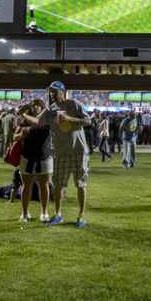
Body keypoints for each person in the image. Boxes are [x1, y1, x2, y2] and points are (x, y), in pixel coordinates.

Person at [20, 82, 91, 227]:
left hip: (78, 150)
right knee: (58, 185)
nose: (52, 94)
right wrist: (24, 115)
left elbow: (88, 121)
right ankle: (58, 214)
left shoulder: (74, 104)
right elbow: (38, 122)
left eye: (55, 91)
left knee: (80, 183)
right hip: (60, 151)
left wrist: (70, 119)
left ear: (63, 92)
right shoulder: (50, 110)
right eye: (51, 92)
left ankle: (81, 215)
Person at [16, 101, 53, 222]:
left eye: (38, 104)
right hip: (27, 156)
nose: (36, 107)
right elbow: (14, 137)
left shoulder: (47, 120)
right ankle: (25, 213)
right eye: (33, 105)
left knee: (44, 185)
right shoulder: (24, 121)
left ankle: (44, 212)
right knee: (26, 186)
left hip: (44, 156)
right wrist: (22, 135)